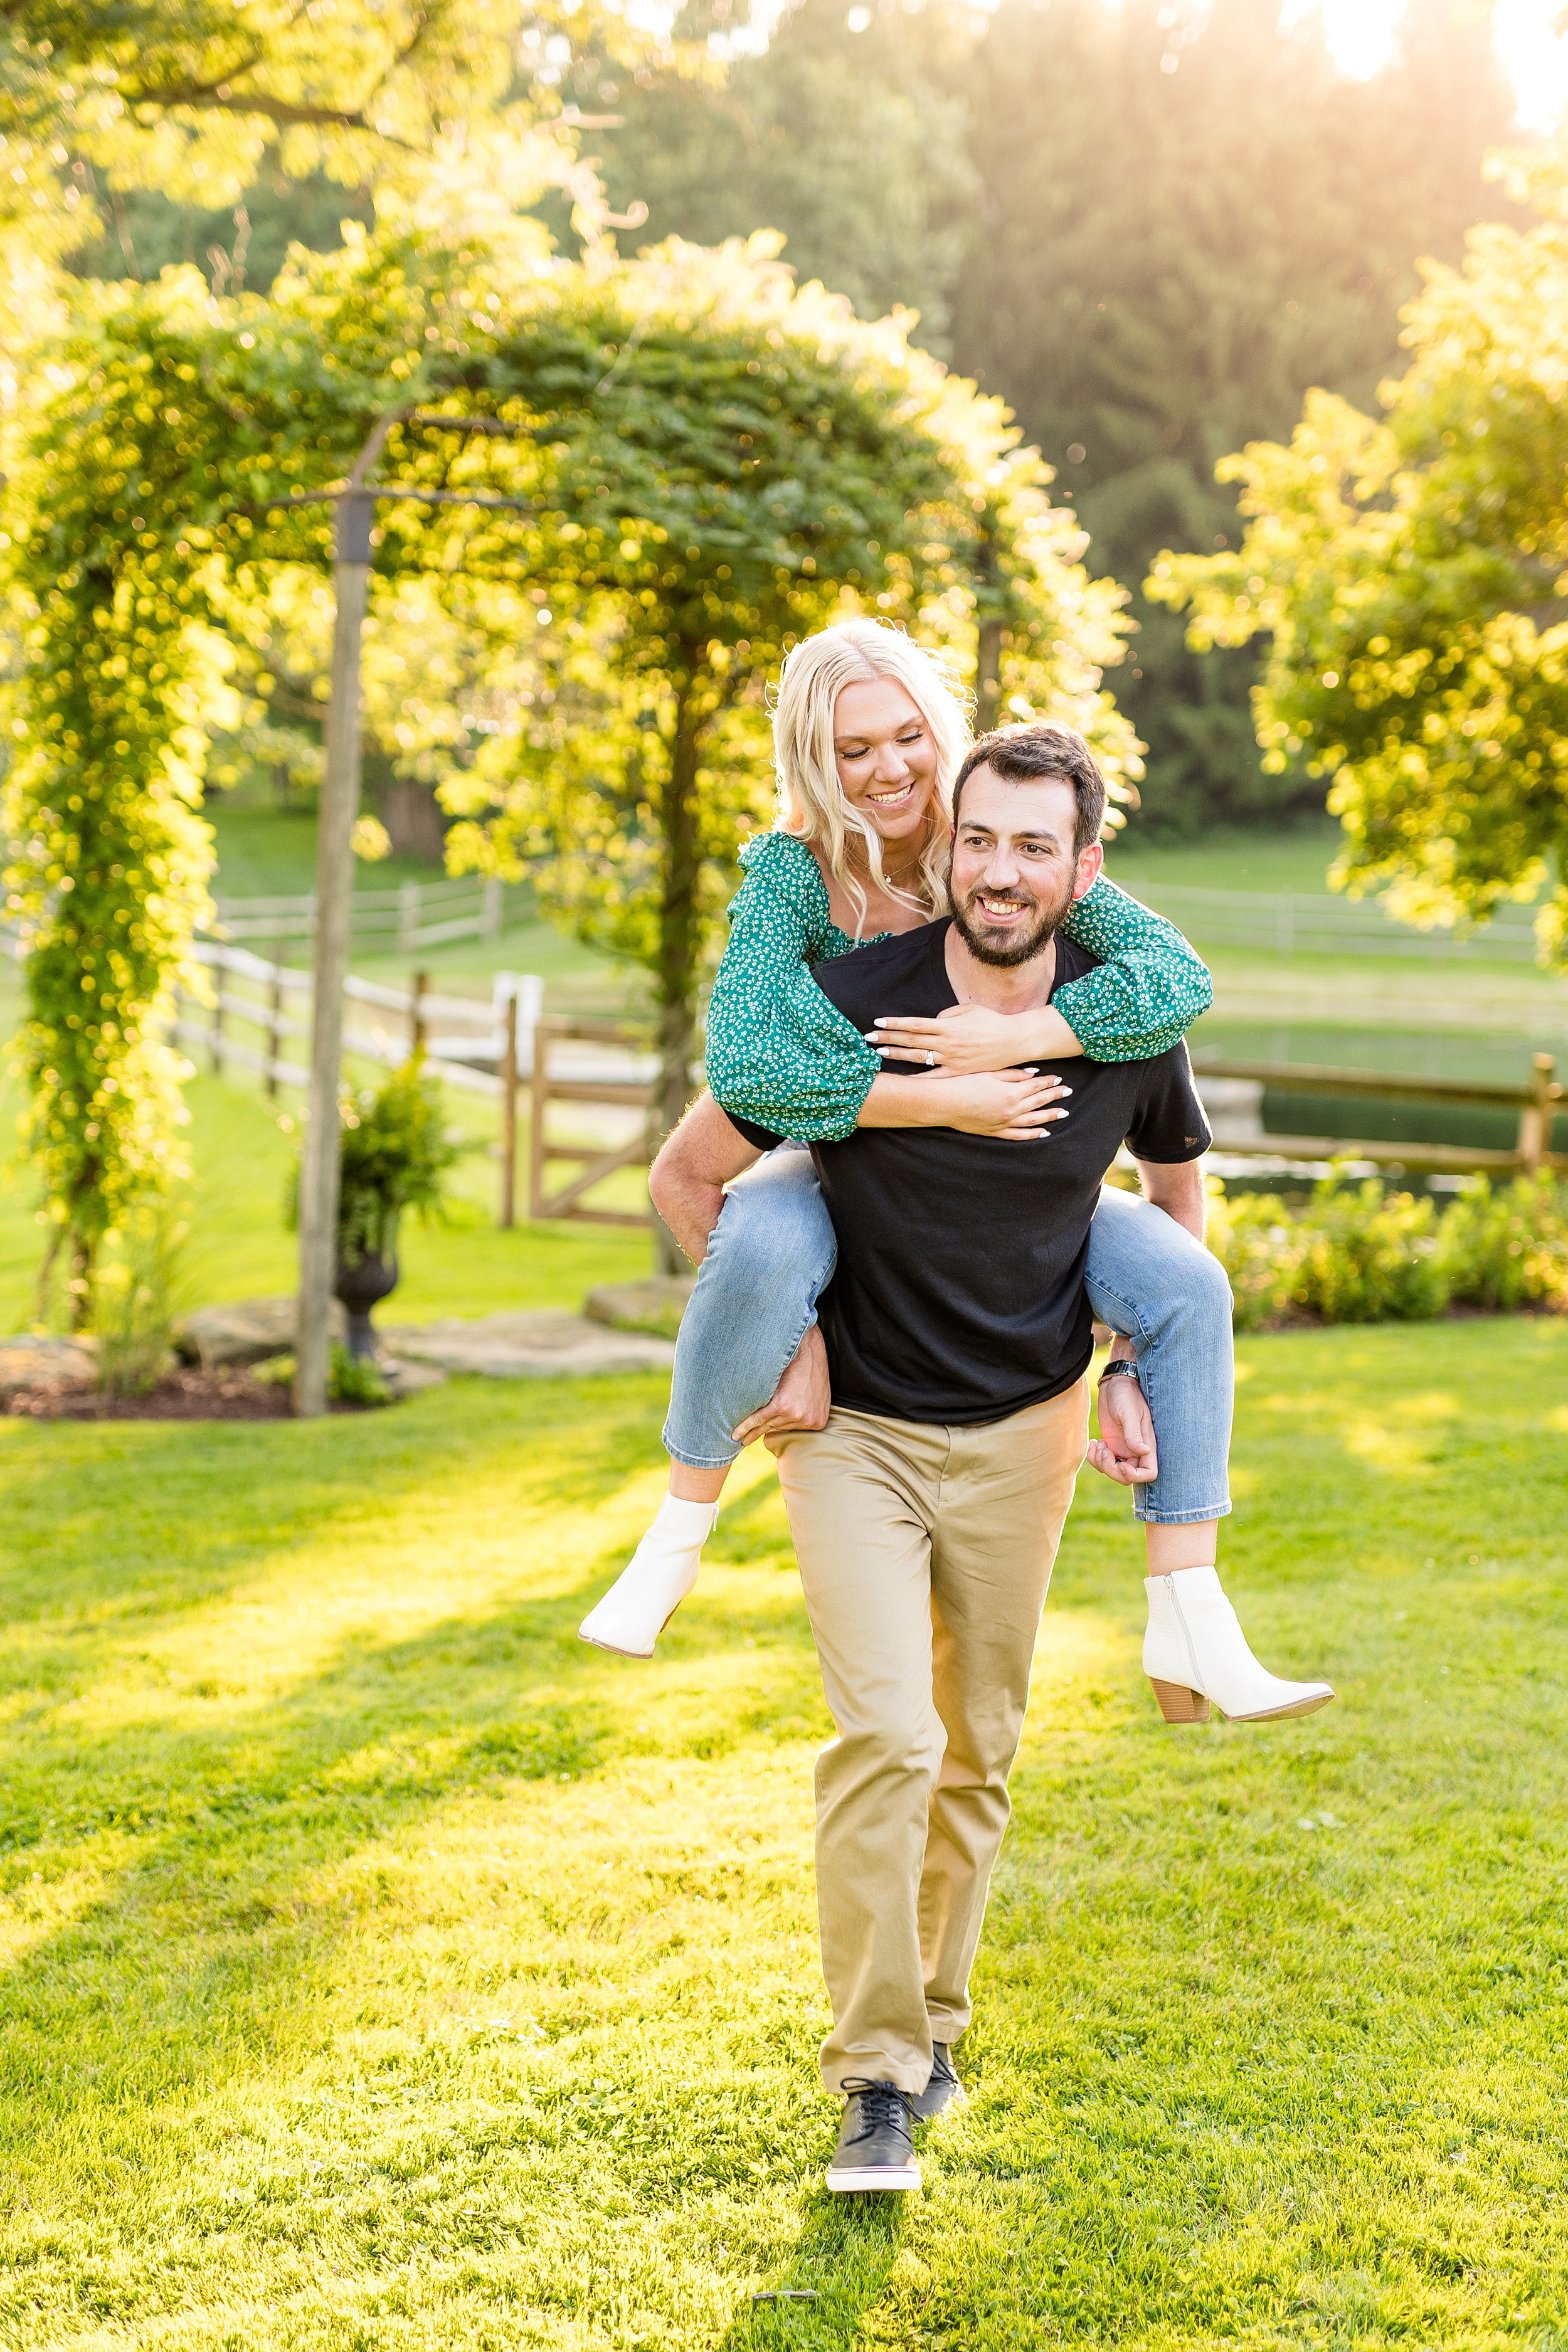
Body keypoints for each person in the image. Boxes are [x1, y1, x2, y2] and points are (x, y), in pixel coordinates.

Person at [645, 727, 1333, 2191]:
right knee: (885, 1737)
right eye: (978, 840)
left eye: (1034, 846)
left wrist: (1139, 1365)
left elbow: (1172, 1178)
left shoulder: (1121, 1015)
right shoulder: (848, 1000)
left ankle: (935, 2029)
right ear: (943, 849)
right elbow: (696, 1168)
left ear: (1082, 870)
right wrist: (785, 1339)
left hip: (1025, 1429)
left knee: (977, 1752)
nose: (1000, 870)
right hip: (858, 1439)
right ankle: (876, 2078)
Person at [579, 622, 1328, 1727]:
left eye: (906, 736)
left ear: (941, 732)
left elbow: (1173, 973)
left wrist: (1016, 1043)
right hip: (842, 1164)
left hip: (1026, 1187)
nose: (887, 769)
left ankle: (1192, 1611)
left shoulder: (993, 847)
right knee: (774, 1234)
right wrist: (937, 1096)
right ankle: (677, 1534)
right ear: (810, 760)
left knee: (1186, 1284)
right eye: (851, 750)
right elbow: (744, 1061)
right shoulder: (799, 876)